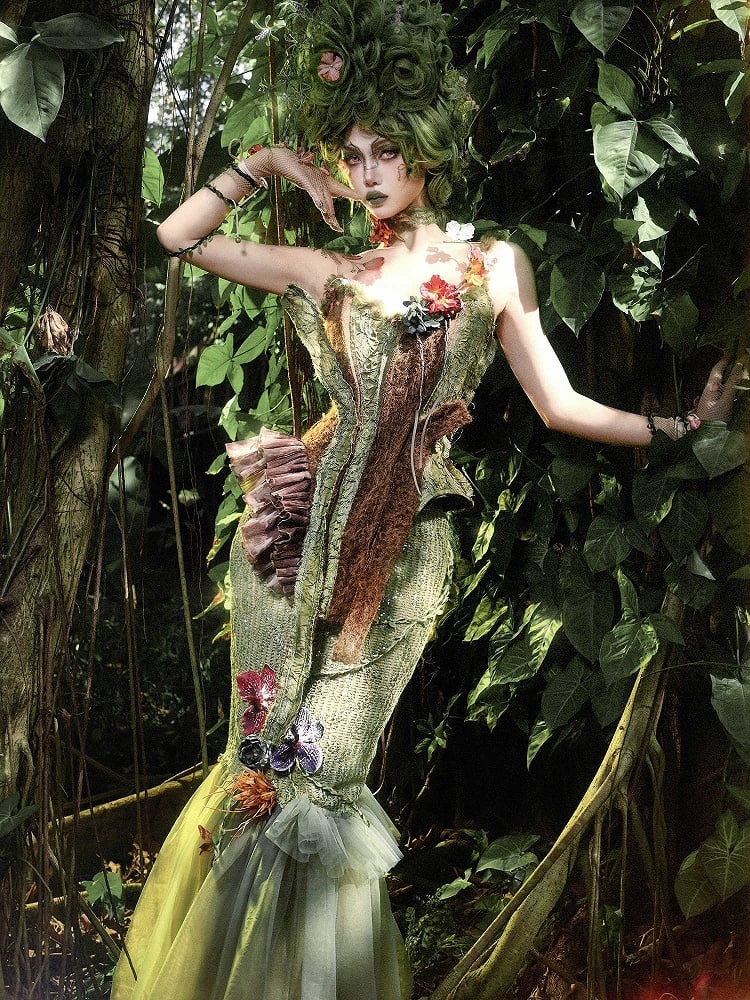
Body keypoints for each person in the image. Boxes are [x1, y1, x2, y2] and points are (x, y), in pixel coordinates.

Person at [110, 1, 743, 997]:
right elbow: (176, 238)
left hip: (407, 545)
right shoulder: (327, 269)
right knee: (261, 768)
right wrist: (276, 162)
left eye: (385, 152)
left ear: (430, 154)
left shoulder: (491, 267)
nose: (365, 173)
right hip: (290, 540)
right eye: (351, 153)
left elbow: (561, 402)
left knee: (329, 770)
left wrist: (681, 430)